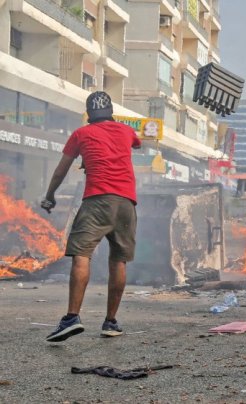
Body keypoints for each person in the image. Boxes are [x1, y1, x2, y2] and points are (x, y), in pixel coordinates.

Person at [42, 91, 141, 342]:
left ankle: (72, 318)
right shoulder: (126, 131)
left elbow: (60, 170)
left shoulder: (81, 134)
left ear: (89, 114)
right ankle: (111, 321)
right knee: (118, 260)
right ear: (110, 112)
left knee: (81, 254)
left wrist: (50, 195)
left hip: (97, 199)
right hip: (126, 202)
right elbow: (133, 144)